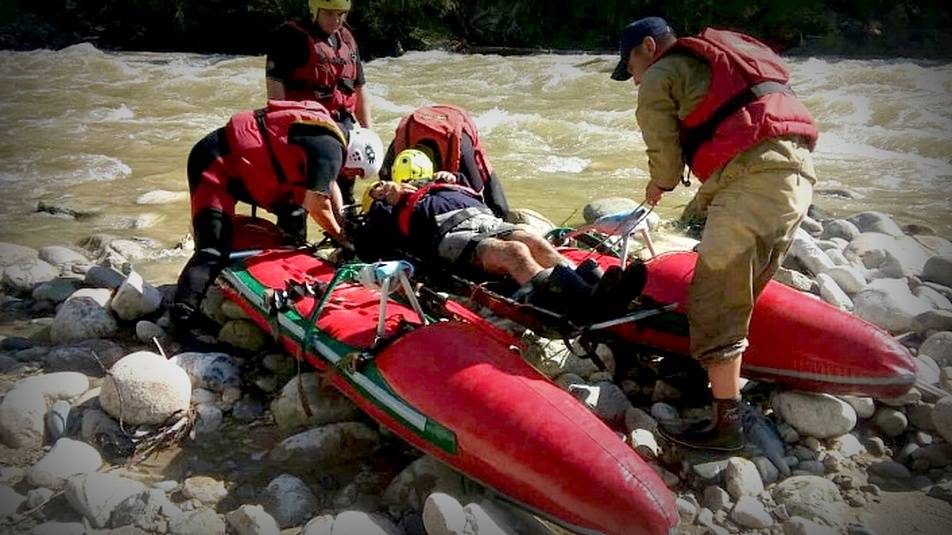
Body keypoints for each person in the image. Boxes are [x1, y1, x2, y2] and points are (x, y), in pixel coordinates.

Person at [611, 17, 818, 451]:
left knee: (715, 297)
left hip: (752, 180)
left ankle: (726, 426)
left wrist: (658, 185)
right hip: (797, 175)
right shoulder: (716, 59)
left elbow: (664, 155)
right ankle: (708, 368)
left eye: (629, 66)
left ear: (647, 47)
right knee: (745, 282)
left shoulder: (661, 73)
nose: (633, 80)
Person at [172, 99, 383, 331]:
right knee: (213, 251)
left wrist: (341, 219)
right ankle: (182, 318)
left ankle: (285, 259)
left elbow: (327, 184)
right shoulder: (331, 150)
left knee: (294, 211)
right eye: (356, 171)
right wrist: (340, 236)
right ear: (355, 156)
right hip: (215, 165)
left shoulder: (331, 139)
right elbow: (317, 204)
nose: (351, 175)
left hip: (242, 167)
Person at [356, 158, 591, 314]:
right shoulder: (386, 213)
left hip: (483, 218)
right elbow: (368, 244)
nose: (382, 188)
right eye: (376, 192)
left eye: (383, 183)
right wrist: (383, 205)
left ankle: (587, 288)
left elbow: (477, 188)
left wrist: (448, 177)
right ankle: (561, 306)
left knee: (534, 241)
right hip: (450, 233)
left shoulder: (437, 184)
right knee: (515, 252)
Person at [379, 104, 510, 219]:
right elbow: (383, 188)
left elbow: (477, 191)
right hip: (416, 127)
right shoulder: (400, 144)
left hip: (457, 126)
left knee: (499, 208)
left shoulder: (461, 148)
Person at [265, 0, 372, 128]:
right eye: (329, 13)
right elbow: (276, 96)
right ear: (315, 10)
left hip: (343, 123)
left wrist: (370, 133)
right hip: (306, 123)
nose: (336, 20)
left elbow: (360, 92)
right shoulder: (289, 37)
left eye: (340, 14)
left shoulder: (347, 40)